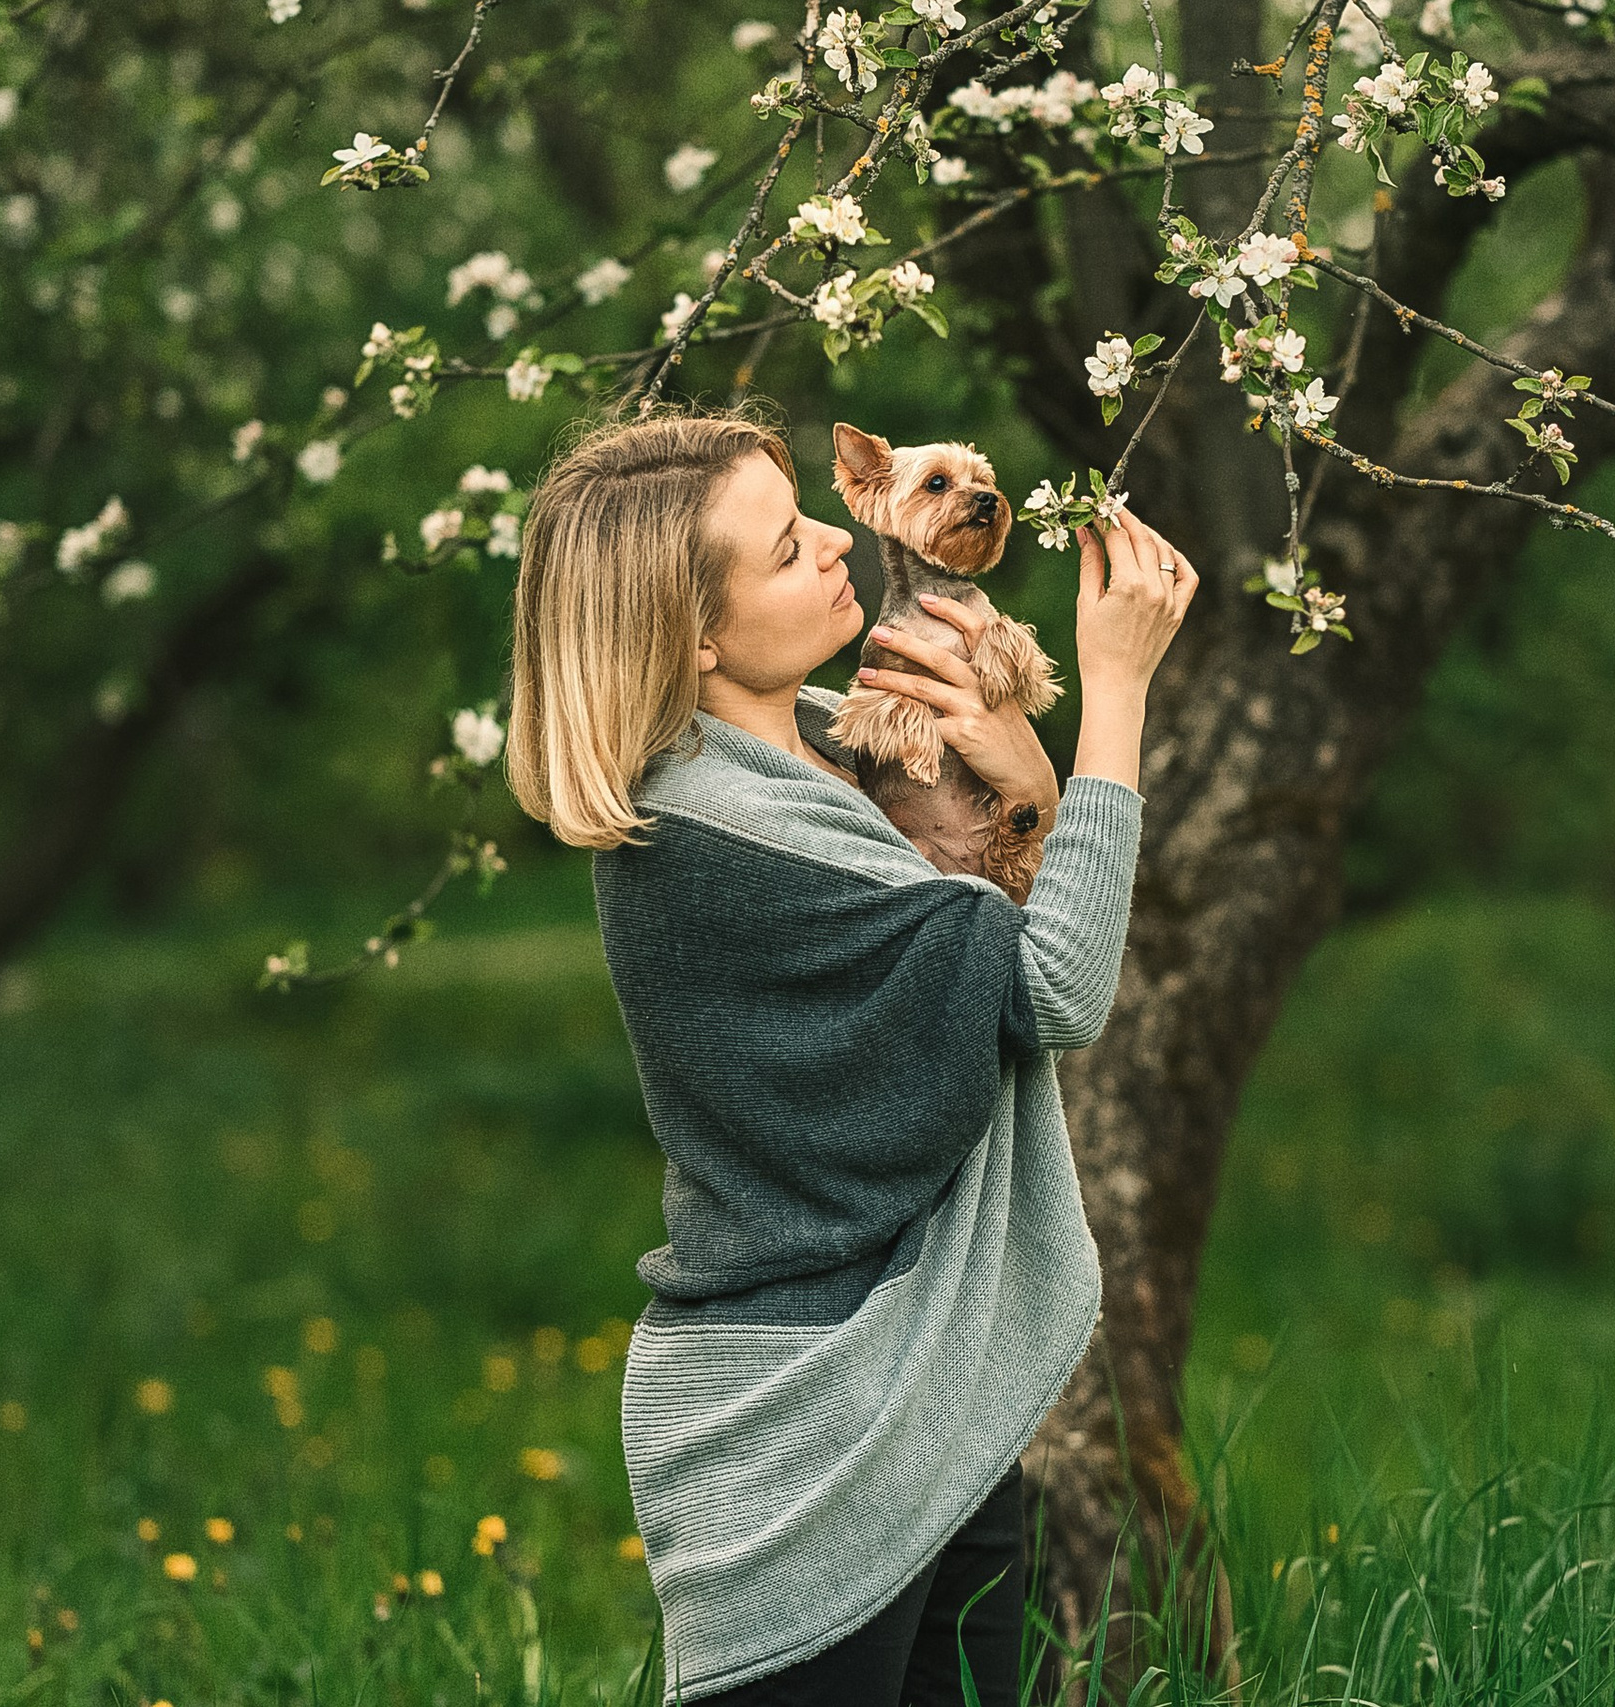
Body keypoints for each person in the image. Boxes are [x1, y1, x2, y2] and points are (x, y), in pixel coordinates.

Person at [503, 404, 1197, 1706]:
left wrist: (1030, 796)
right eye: (782, 550)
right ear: (692, 634)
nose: (833, 542)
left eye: (809, 516)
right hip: (807, 1426)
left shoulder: (830, 748)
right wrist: (1116, 696)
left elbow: (983, 908)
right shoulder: (725, 831)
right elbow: (1050, 990)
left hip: (927, 1387)